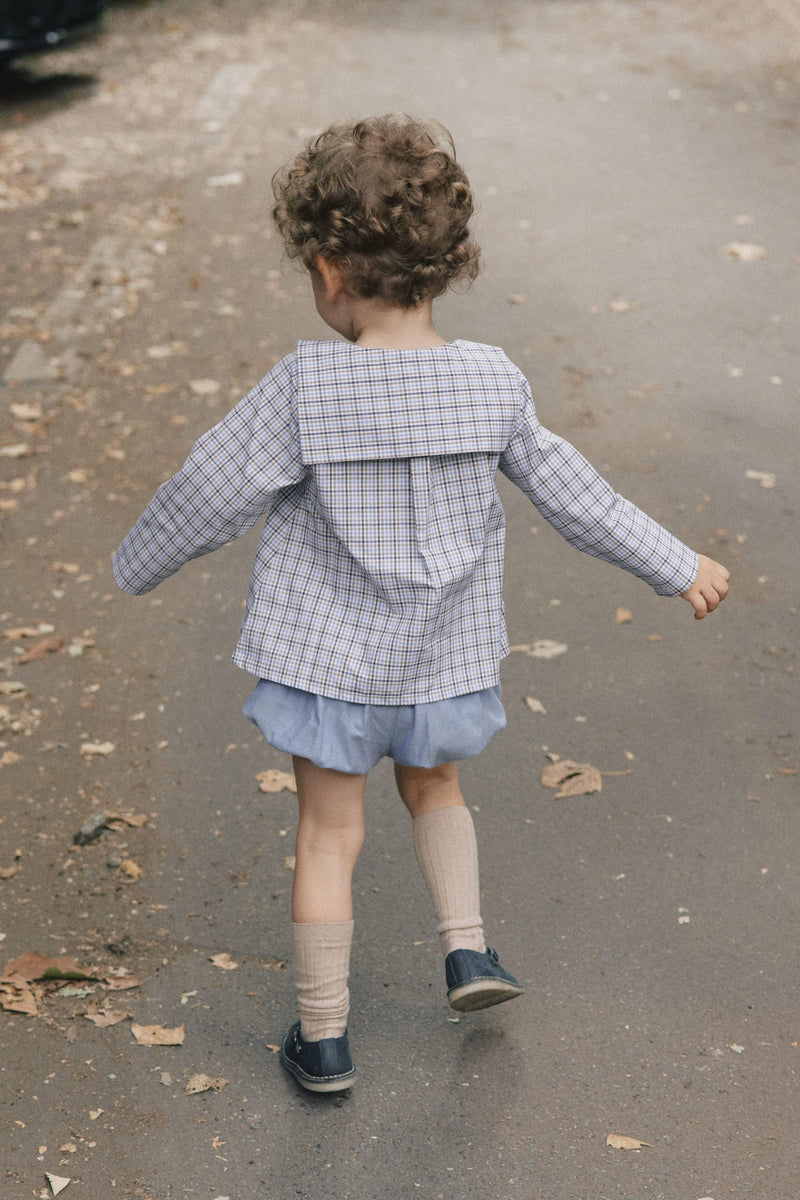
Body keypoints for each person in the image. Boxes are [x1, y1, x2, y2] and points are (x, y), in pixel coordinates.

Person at [112, 115, 730, 1094]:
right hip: (438, 660)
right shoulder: (490, 381)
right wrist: (673, 560)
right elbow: (576, 494)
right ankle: (468, 952)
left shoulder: (305, 387)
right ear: (443, 265)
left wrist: (137, 563)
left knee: (328, 836)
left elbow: (207, 489)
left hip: (329, 668)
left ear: (326, 269)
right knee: (436, 790)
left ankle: (322, 1040)